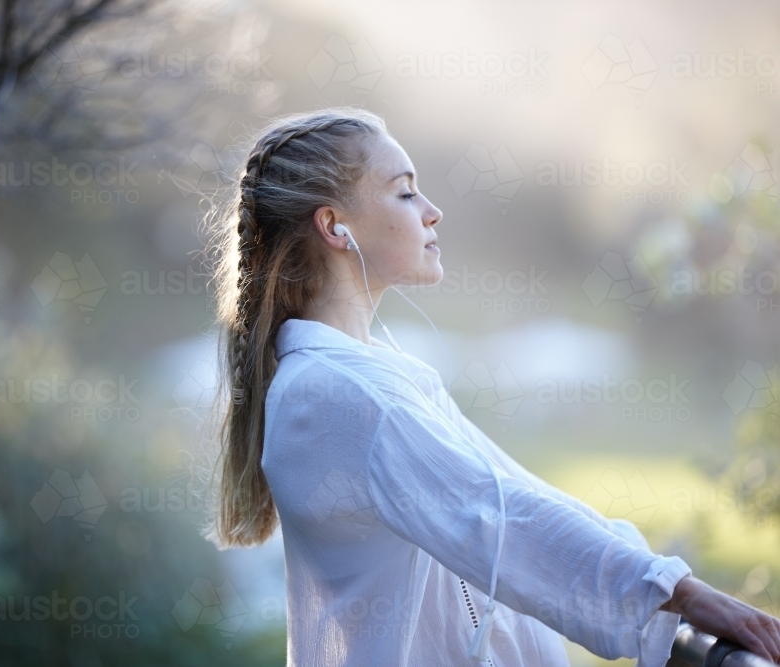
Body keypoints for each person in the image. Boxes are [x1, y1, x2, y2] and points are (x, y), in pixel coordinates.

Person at [202, 107, 780, 666]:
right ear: (334, 226)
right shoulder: (339, 395)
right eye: (405, 192)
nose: (432, 212)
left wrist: (669, 581)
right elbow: (498, 521)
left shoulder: (373, 377)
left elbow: (517, 493)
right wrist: (681, 593)